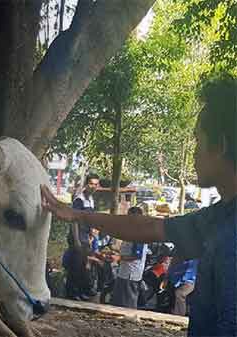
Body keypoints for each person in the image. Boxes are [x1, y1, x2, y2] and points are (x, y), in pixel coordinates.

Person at [41, 71, 236, 337]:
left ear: (221, 146)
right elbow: (146, 227)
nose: (194, 153)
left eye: (198, 141)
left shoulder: (230, 238)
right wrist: (77, 215)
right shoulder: (218, 217)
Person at [110, 207, 148, 309]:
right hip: (124, 272)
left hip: (131, 274)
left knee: (127, 303)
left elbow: (136, 256)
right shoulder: (131, 231)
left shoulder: (139, 233)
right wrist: (116, 253)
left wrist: (119, 257)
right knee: (119, 302)